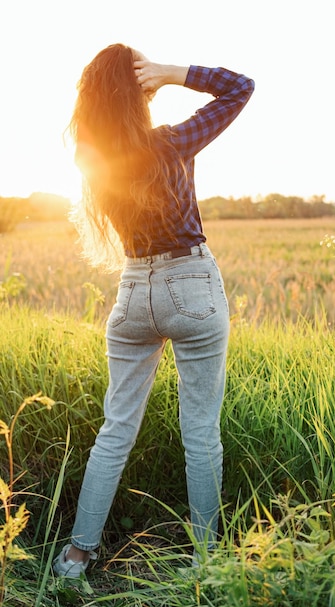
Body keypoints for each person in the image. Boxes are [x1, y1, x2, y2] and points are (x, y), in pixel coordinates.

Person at [53, 43, 254, 578]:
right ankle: (207, 562)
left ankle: (76, 556)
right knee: (201, 434)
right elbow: (240, 87)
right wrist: (171, 73)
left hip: (132, 290)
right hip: (190, 284)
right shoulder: (172, 143)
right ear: (137, 91)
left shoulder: (93, 161)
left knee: (114, 431)